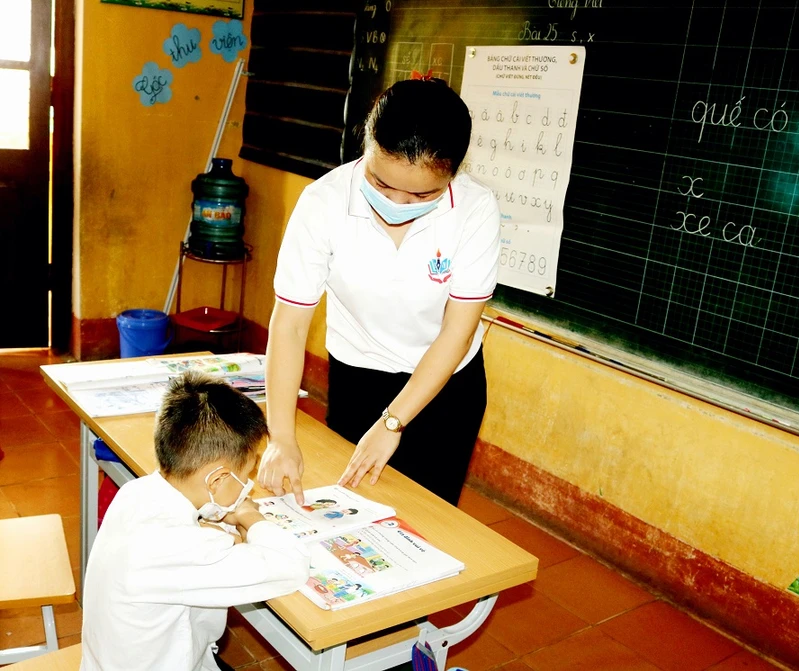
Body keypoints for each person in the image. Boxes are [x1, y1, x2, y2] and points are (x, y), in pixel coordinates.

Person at [260, 76, 500, 505]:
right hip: (358, 377)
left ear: (452, 175)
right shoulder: (323, 203)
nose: (398, 203)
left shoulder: (475, 210)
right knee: (349, 510)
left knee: (431, 520)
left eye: (421, 193)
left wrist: (393, 423)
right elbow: (291, 326)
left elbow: (457, 332)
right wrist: (280, 436)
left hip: (446, 385)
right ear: (366, 147)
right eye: (381, 183)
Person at [80, 372, 310, 671]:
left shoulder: (134, 493)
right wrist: (250, 516)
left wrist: (222, 534)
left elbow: (197, 544)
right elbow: (292, 566)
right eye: (247, 475)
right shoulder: (178, 547)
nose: (249, 485)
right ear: (217, 479)